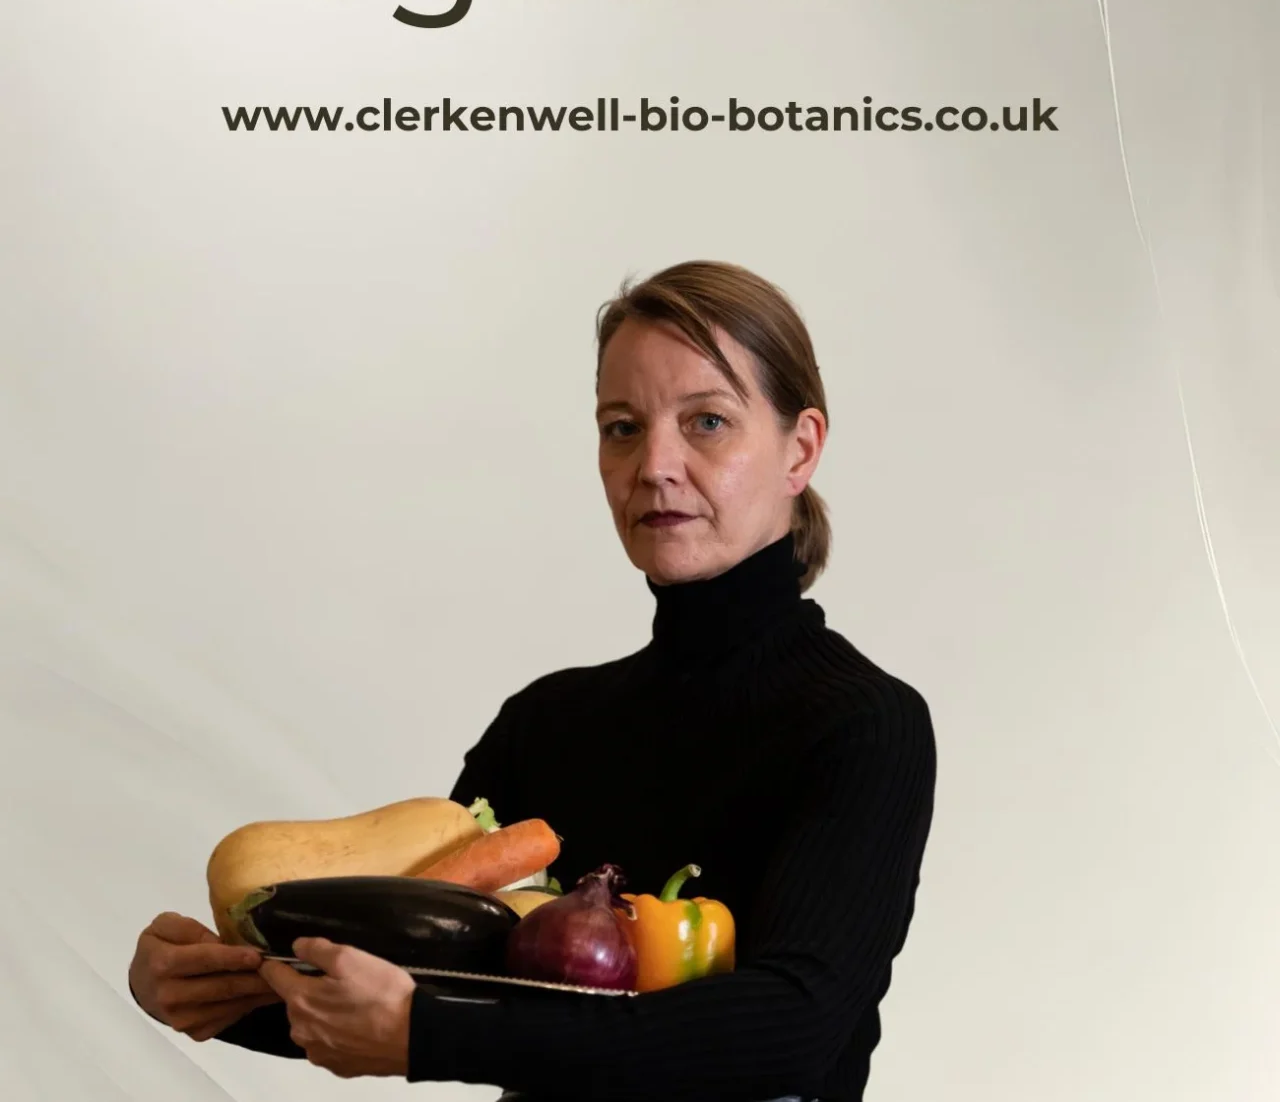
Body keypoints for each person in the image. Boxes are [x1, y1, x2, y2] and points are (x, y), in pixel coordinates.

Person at [128, 260, 937, 1102]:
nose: (655, 464)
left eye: (707, 421)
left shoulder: (863, 724)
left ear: (800, 448)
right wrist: (217, 993)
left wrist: (428, 1034)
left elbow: (796, 1027)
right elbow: (421, 983)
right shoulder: (549, 721)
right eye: (622, 427)